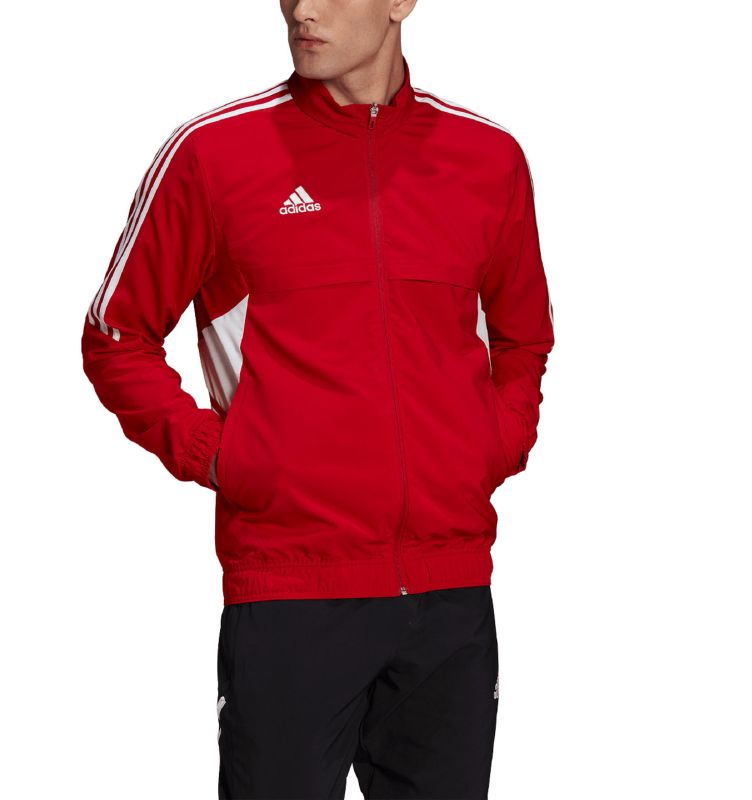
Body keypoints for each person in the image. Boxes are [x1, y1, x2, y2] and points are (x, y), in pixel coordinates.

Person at [81, 0, 555, 796]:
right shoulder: (214, 154)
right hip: (290, 591)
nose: (302, 9)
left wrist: (491, 446)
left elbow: (523, 337)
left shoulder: (487, 158)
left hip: (449, 594)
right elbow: (116, 335)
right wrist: (225, 456)